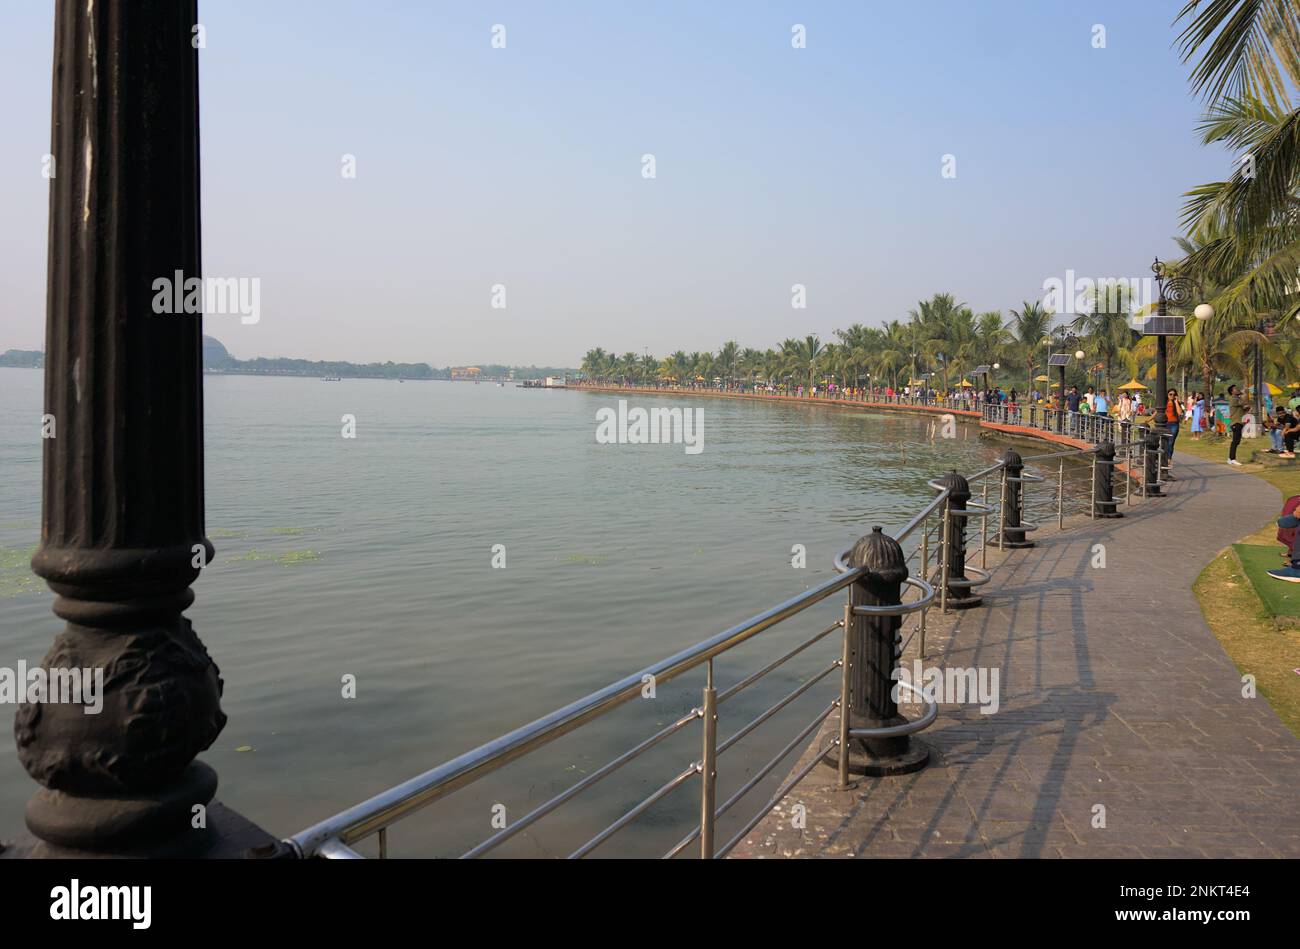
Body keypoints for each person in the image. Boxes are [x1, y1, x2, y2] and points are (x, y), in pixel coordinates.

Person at [1227, 384, 1247, 465]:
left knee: (1237, 441)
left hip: (1239, 422)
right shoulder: (1233, 399)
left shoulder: (1237, 398)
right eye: (1235, 389)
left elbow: (1244, 408)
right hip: (1236, 422)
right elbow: (1244, 403)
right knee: (1235, 441)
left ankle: (1230, 458)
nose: (1237, 389)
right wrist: (1244, 394)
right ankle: (1232, 458)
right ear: (1232, 392)